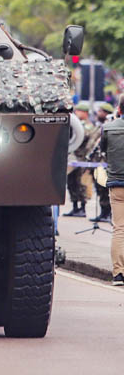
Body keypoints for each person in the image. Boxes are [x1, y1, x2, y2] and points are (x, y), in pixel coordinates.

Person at [100, 94, 124, 285]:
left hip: (117, 184)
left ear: (119, 109)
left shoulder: (108, 129)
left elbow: (103, 150)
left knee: (119, 229)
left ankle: (118, 273)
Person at [65, 101, 94, 217]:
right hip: (73, 158)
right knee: (71, 183)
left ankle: (82, 207)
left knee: (81, 183)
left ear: (85, 112)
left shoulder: (88, 126)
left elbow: (86, 139)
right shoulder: (76, 125)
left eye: (79, 111)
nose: (76, 113)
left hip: (82, 160)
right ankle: (75, 206)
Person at [89, 102, 116, 222]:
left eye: (101, 111)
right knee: (100, 188)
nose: (98, 113)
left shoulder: (110, 126)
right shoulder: (100, 126)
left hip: (107, 163)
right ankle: (103, 212)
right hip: (99, 162)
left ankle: (107, 213)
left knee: (106, 189)